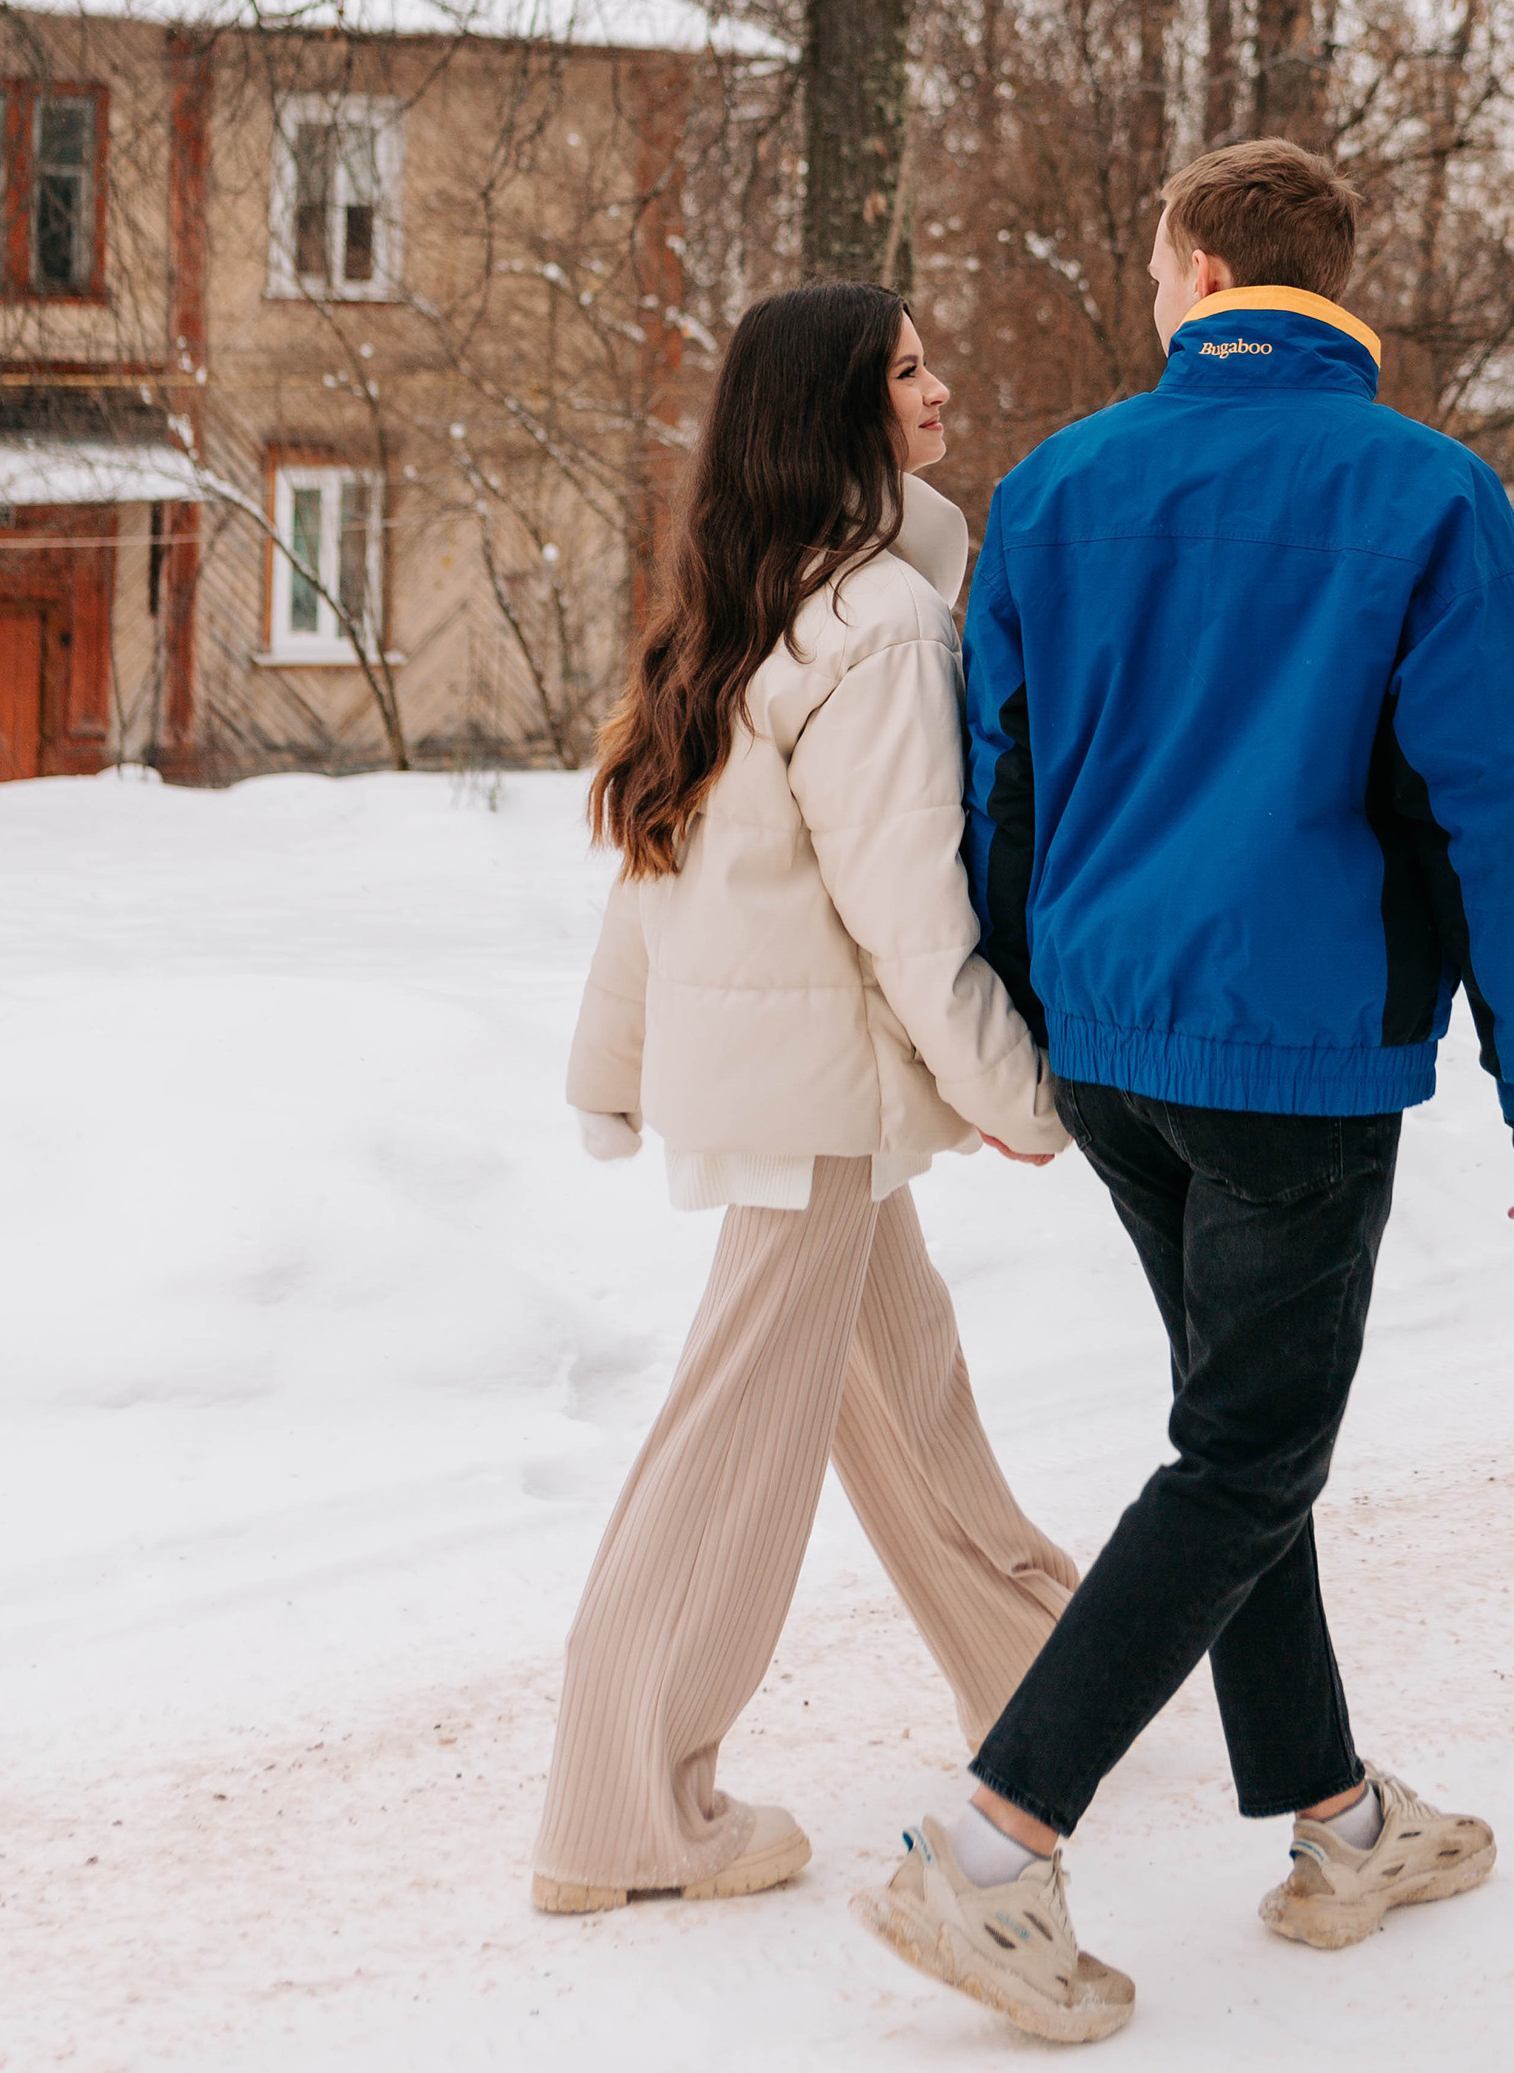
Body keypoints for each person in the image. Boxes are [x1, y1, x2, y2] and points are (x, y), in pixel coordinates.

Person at [853, 139, 1514, 2044]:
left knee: (1239, 1430)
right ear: (1327, 282)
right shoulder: (1430, 497)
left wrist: (1024, 1019)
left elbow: (998, 784)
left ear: (1194, 268)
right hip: (1293, 1062)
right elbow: (1501, 806)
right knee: (1249, 1453)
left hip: (1116, 1044)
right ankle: (989, 1846)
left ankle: (1341, 1821)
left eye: (1151, 255)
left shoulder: (1056, 487)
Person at [531, 279, 1075, 1917]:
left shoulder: (755, 602)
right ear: (839, 411)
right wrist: (1020, 1093)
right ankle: (628, 1805)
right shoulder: (882, 626)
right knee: (738, 1445)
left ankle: (1044, 1672)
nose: (936, 390)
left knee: (898, 1387)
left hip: (788, 1086)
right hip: (815, 1091)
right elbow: (914, 909)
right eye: (906, 371)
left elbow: (655, 875)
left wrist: (612, 1067)